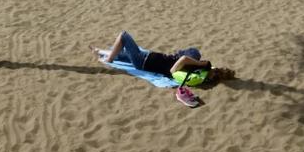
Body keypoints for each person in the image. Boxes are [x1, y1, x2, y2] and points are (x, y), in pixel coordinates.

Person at [92, 31, 234, 106]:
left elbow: (178, 65)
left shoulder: (189, 70)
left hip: (143, 61)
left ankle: (109, 58)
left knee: (123, 36)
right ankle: (100, 51)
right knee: (122, 55)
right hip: (146, 57)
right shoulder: (197, 71)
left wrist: (200, 64)